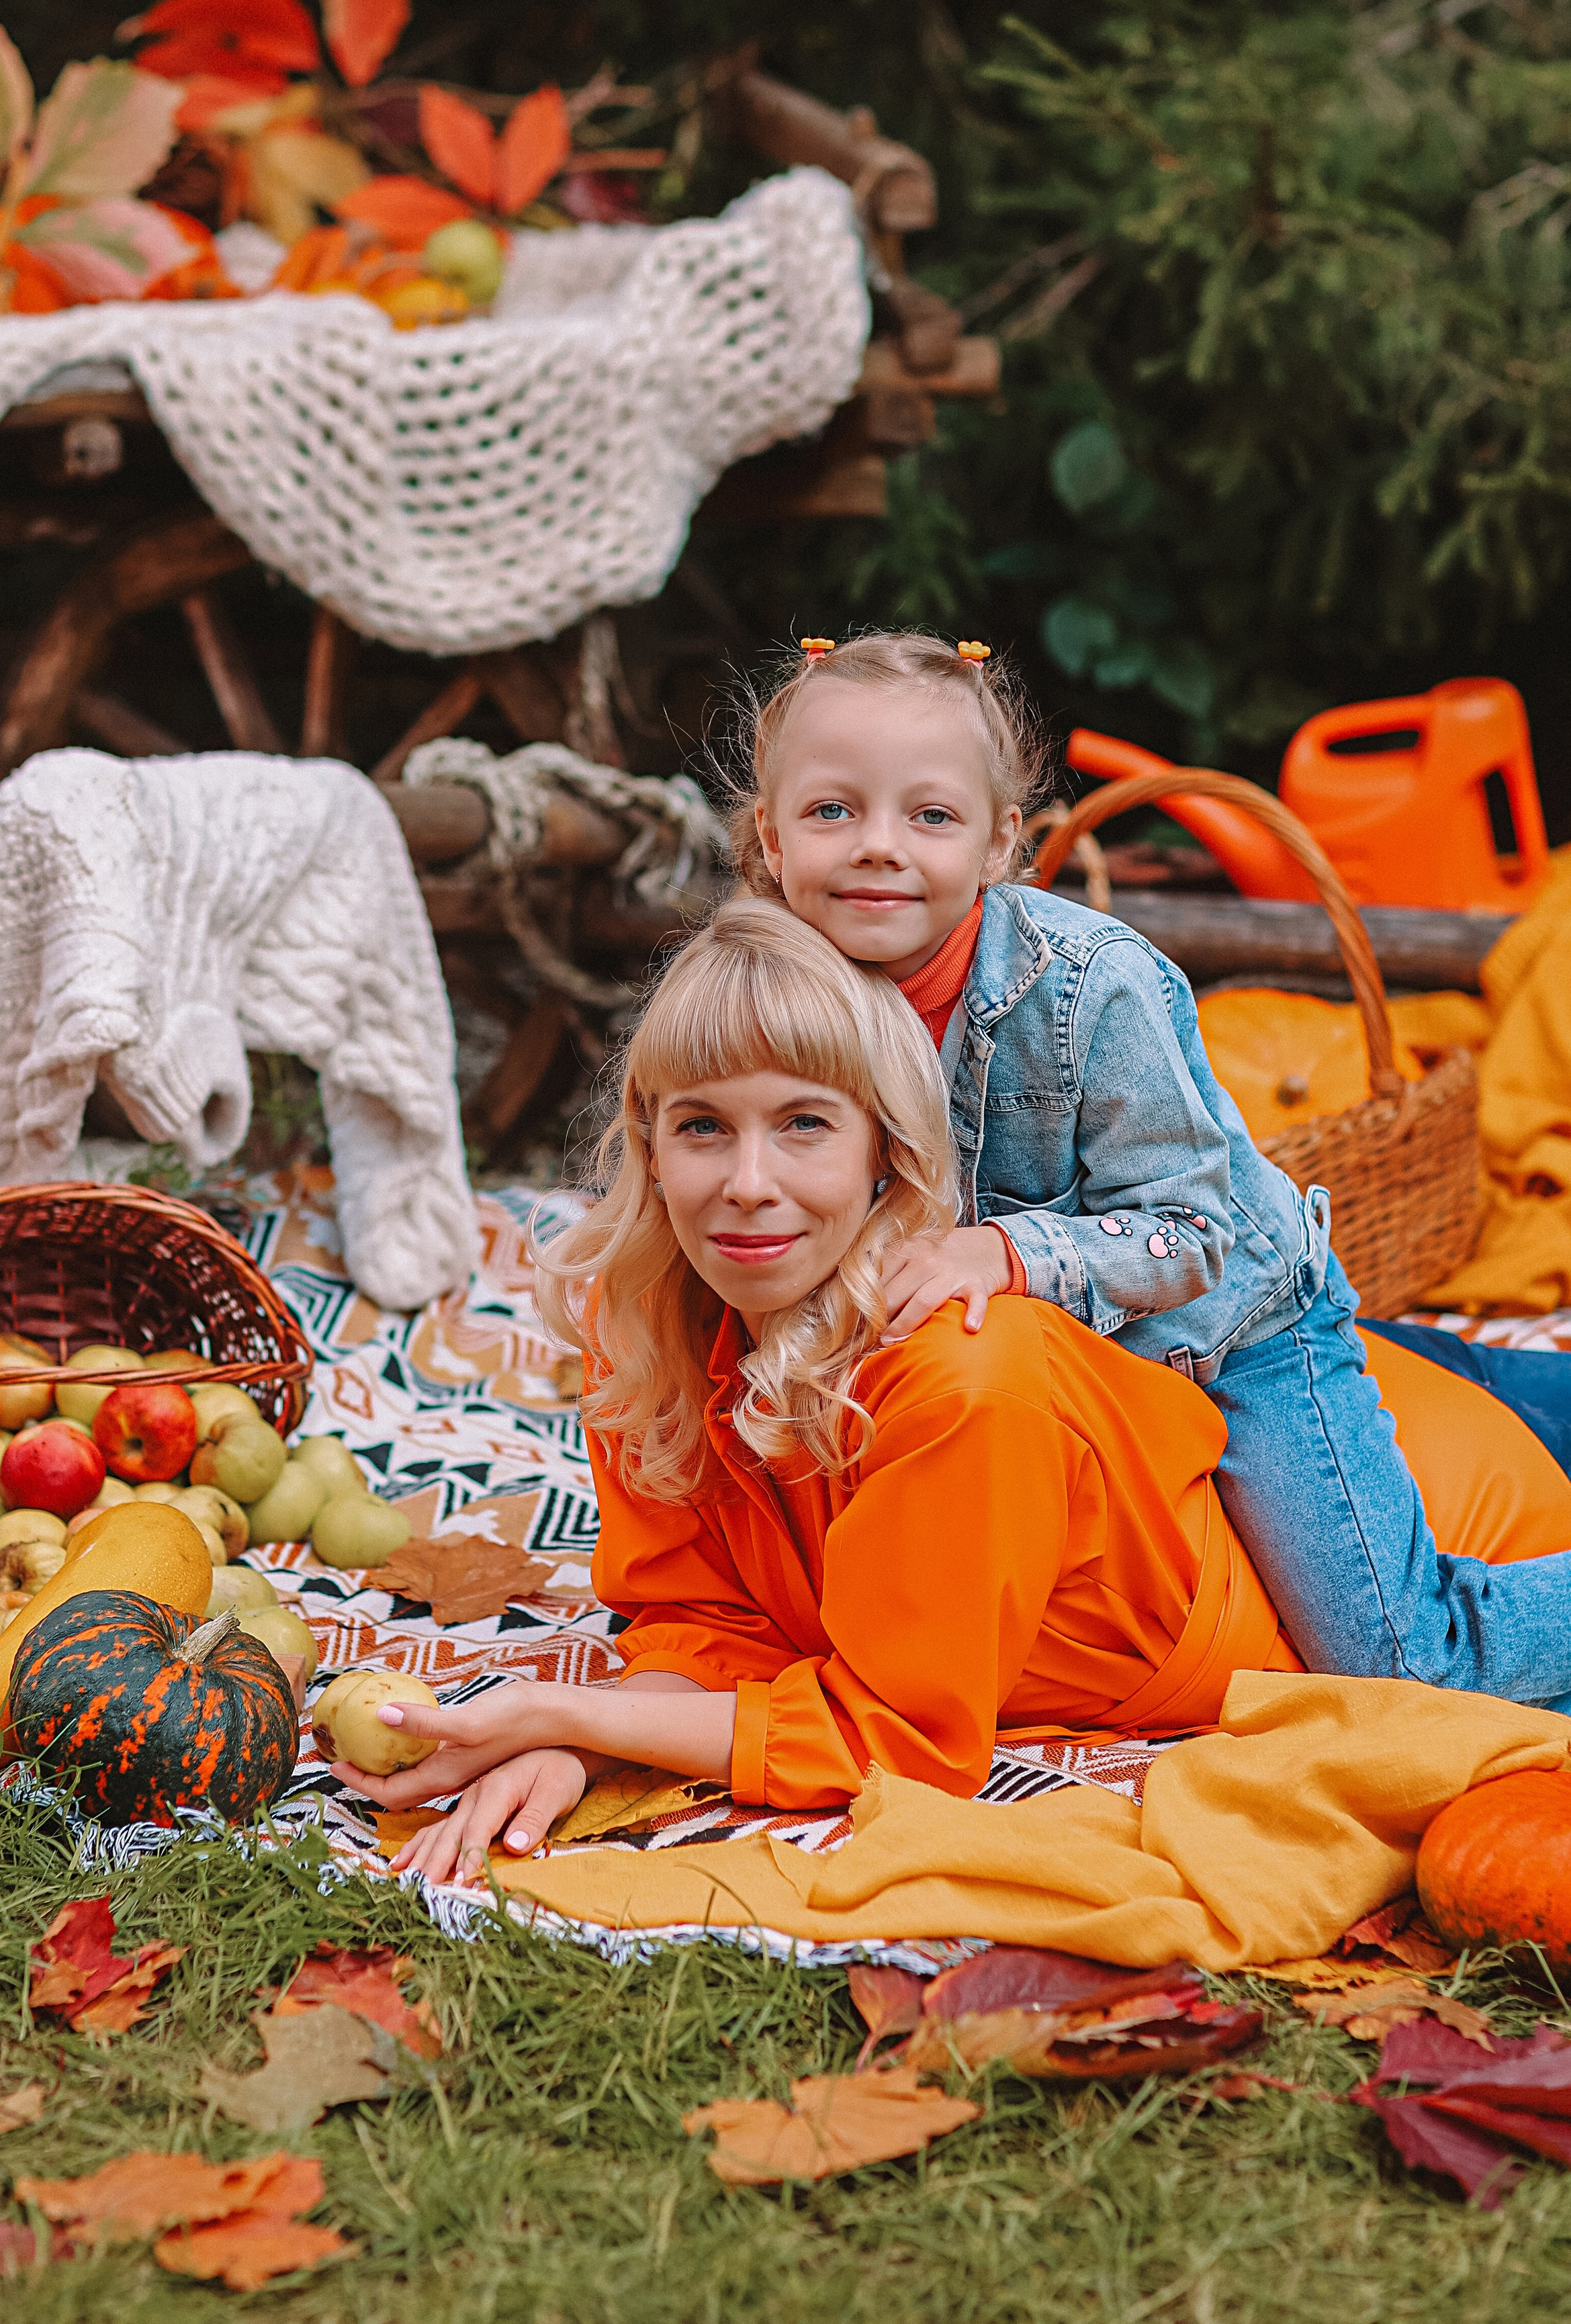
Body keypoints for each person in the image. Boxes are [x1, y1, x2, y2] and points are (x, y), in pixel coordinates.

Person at [327, 903, 1571, 1885]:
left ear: (890, 1156)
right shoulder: (648, 1321)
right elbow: (710, 1628)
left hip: (1462, 1487)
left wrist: (564, 1705)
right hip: (1266, 1401)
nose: (746, 1185)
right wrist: (577, 1736)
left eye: (805, 1125)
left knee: (1417, 1653)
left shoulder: (969, 1379)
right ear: (648, 1146)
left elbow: (896, 1742)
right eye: (702, 1127)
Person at [723, 627, 1571, 1701]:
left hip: (1230, 1335)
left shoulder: (1088, 986)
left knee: (1398, 1656)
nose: (878, 846)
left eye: (929, 815)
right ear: (772, 834)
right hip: (1056, 1371)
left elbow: (1195, 1234)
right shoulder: (769, 990)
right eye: (832, 810)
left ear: (998, 843)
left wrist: (1005, 1249)